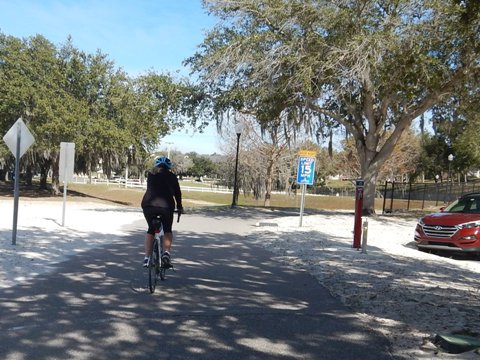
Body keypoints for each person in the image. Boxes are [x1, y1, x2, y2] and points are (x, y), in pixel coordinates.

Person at [141, 156, 183, 268]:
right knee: (167, 229)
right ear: (169, 167)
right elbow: (177, 194)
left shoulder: (151, 176)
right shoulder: (172, 177)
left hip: (148, 205)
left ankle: (146, 258)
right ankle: (166, 253)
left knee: (151, 229)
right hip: (166, 206)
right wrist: (179, 207)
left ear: (157, 166)